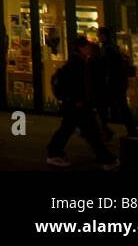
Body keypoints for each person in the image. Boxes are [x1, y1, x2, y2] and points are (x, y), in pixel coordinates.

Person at [46, 36, 119, 169]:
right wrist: (78, 100)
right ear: (81, 48)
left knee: (75, 130)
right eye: (86, 46)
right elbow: (76, 84)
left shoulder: (80, 62)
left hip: (77, 104)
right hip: (77, 104)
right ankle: (105, 159)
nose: (89, 49)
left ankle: (54, 152)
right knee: (87, 131)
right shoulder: (77, 64)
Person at [96, 27, 138, 139]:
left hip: (114, 82)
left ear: (103, 35)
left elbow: (108, 66)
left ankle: (104, 130)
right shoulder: (112, 46)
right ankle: (128, 129)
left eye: (99, 34)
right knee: (120, 106)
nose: (98, 36)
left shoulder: (108, 48)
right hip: (118, 81)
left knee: (109, 106)